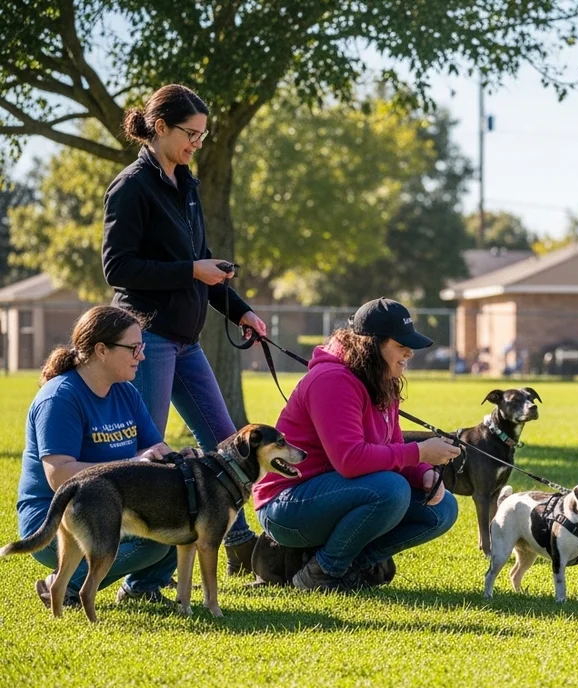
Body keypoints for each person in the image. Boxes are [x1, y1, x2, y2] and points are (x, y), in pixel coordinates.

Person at [102, 84, 268, 575]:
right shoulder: (130, 186)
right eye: (190, 134)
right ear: (159, 128)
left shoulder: (188, 184)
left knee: (226, 440)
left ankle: (237, 543)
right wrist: (190, 270)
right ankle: (143, 573)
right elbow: (119, 268)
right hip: (146, 339)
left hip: (186, 341)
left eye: (202, 135)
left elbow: (203, 265)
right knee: (148, 457)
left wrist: (241, 311)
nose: (197, 142)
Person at [253, 298, 461, 592]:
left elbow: (393, 445)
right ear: (373, 344)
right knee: (391, 490)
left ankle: (349, 565)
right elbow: (350, 460)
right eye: (401, 344)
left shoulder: (379, 376)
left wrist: (422, 472)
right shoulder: (332, 380)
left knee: (443, 508)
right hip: (286, 505)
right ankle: (322, 573)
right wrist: (420, 452)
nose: (409, 352)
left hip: (336, 494)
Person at [16, 306, 181, 609]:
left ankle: (142, 589)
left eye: (141, 347)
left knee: (180, 513)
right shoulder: (61, 397)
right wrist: (131, 465)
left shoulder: (126, 393)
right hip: (55, 518)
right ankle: (63, 584)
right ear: (101, 350)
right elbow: (59, 475)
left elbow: (155, 449)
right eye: (133, 348)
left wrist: (178, 460)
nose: (141, 356)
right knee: (151, 543)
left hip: (114, 506)